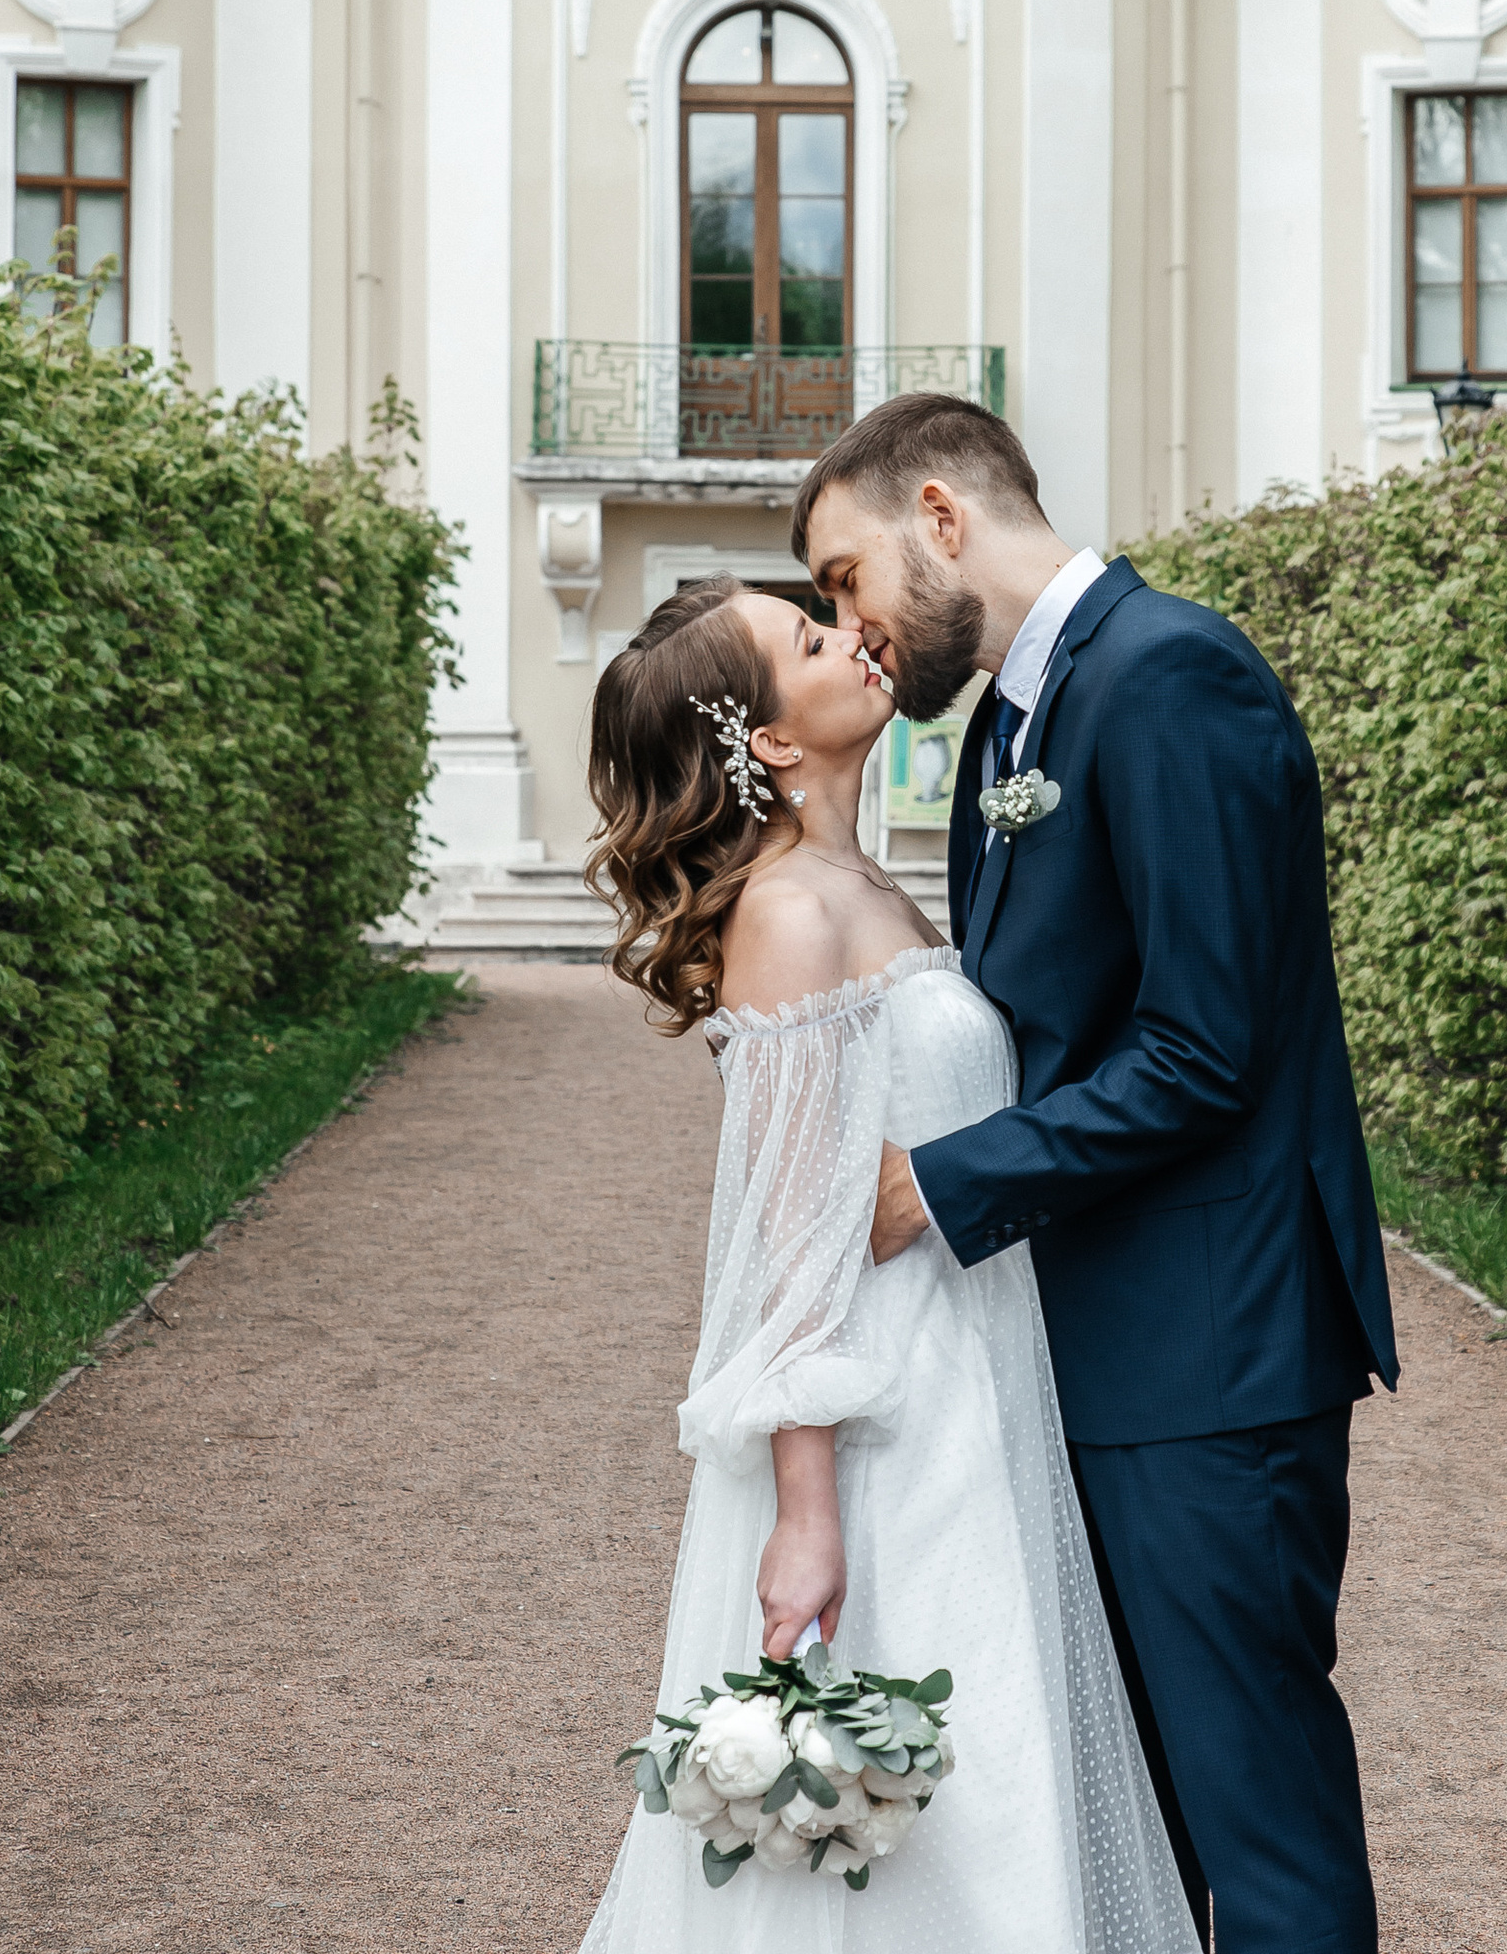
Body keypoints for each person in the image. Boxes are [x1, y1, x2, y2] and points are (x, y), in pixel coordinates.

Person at [795, 396, 1399, 1954]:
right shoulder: (1013, 721)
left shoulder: (1176, 677)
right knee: (1133, 1805)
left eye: (848, 576)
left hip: (1212, 1349)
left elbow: (1209, 1047)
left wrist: (934, 1186)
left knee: (1249, 1813)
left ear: (940, 517)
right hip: (1085, 1344)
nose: (850, 626)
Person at [576, 577, 1198, 1954]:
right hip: (892, 1418)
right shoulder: (792, 915)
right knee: (943, 1779)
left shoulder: (864, 883)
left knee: (994, 1756)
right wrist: (806, 1510)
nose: (851, 636)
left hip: (980, 1365)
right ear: (773, 742)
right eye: (808, 641)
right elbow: (800, 1243)